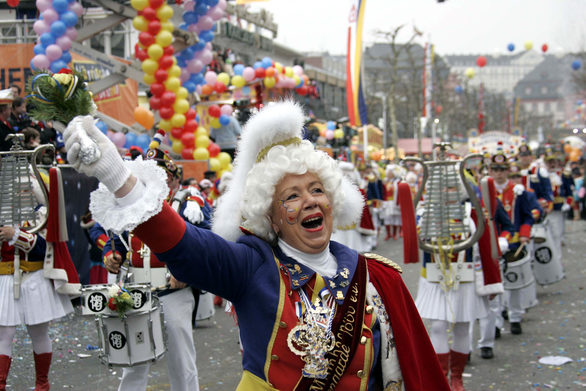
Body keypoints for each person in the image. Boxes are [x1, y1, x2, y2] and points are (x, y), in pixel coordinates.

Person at [63, 102, 449, 390]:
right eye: (292, 196)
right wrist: (116, 174)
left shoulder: (376, 277)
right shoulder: (251, 266)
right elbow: (184, 243)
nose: (311, 201)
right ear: (271, 215)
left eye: (317, 189)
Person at [100, 148, 207, 391]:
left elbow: (204, 242)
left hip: (172, 291)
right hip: (135, 292)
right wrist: (111, 255)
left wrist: (185, 271)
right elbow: (113, 240)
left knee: (181, 360)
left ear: (172, 178)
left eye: (161, 173)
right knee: (134, 360)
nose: (154, 178)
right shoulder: (130, 203)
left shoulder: (185, 204)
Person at [0, 144, 79, 390]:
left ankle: (42, 383)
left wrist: (17, 236)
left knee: (39, 333)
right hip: (5, 278)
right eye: (15, 188)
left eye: (24, 188)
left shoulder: (41, 214)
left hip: (34, 277)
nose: (19, 193)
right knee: (4, 334)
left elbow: (47, 247)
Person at [490, 159, 543, 335]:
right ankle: (496, 323)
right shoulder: (485, 191)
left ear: (507, 171)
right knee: (495, 285)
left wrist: (524, 234)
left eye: (502, 170)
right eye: (495, 169)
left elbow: (528, 216)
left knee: (514, 281)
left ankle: (514, 317)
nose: (498, 173)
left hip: (514, 243)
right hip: (491, 244)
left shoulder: (518, 191)